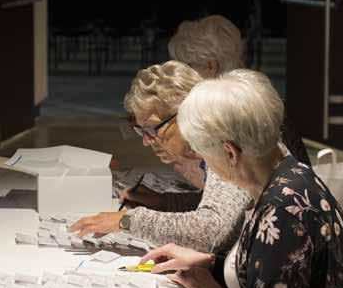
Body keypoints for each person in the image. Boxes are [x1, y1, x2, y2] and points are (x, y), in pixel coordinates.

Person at [140, 70, 343, 288]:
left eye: (204, 158)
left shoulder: (284, 209)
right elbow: (273, 269)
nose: (207, 167)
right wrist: (212, 263)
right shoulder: (289, 173)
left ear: (230, 153)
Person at [68, 61, 252, 254]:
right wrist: (165, 202)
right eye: (141, 132)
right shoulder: (218, 139)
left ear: (185, 113)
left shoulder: (224, 145)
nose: (147, 141)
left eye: (151, 128)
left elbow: (211, 231)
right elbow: (227, 210)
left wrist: (127, 221)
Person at [168, 15, 311, 165]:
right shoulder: (257, 98)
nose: (181, 76)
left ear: (211, 66)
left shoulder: (237, 111)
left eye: (186, 67)